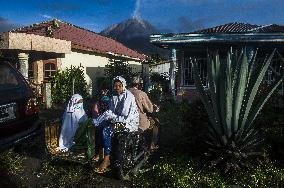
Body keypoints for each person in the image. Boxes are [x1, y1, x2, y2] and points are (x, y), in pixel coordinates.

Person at [93, 76, 139, 173]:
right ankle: (98, 152)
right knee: (98, 127)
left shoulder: (129, 97)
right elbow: (111, 112)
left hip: (129, 123)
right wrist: (104, 117)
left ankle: (107, 158)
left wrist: (112, 117)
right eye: (115, 86)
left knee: (107, 130)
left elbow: (127, 118)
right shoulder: (113, 97)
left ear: (123, 86)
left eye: (119, 86)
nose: (117, 88)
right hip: (117, 120)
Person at [129, 76, 159, 150]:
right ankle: (151, 145)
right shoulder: (141, 93)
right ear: (139, 84)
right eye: (141, 84)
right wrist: (155, 108)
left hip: (126, 120)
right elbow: (150, 108)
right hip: (138, 120)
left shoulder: (125, 92)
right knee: (155, 123)